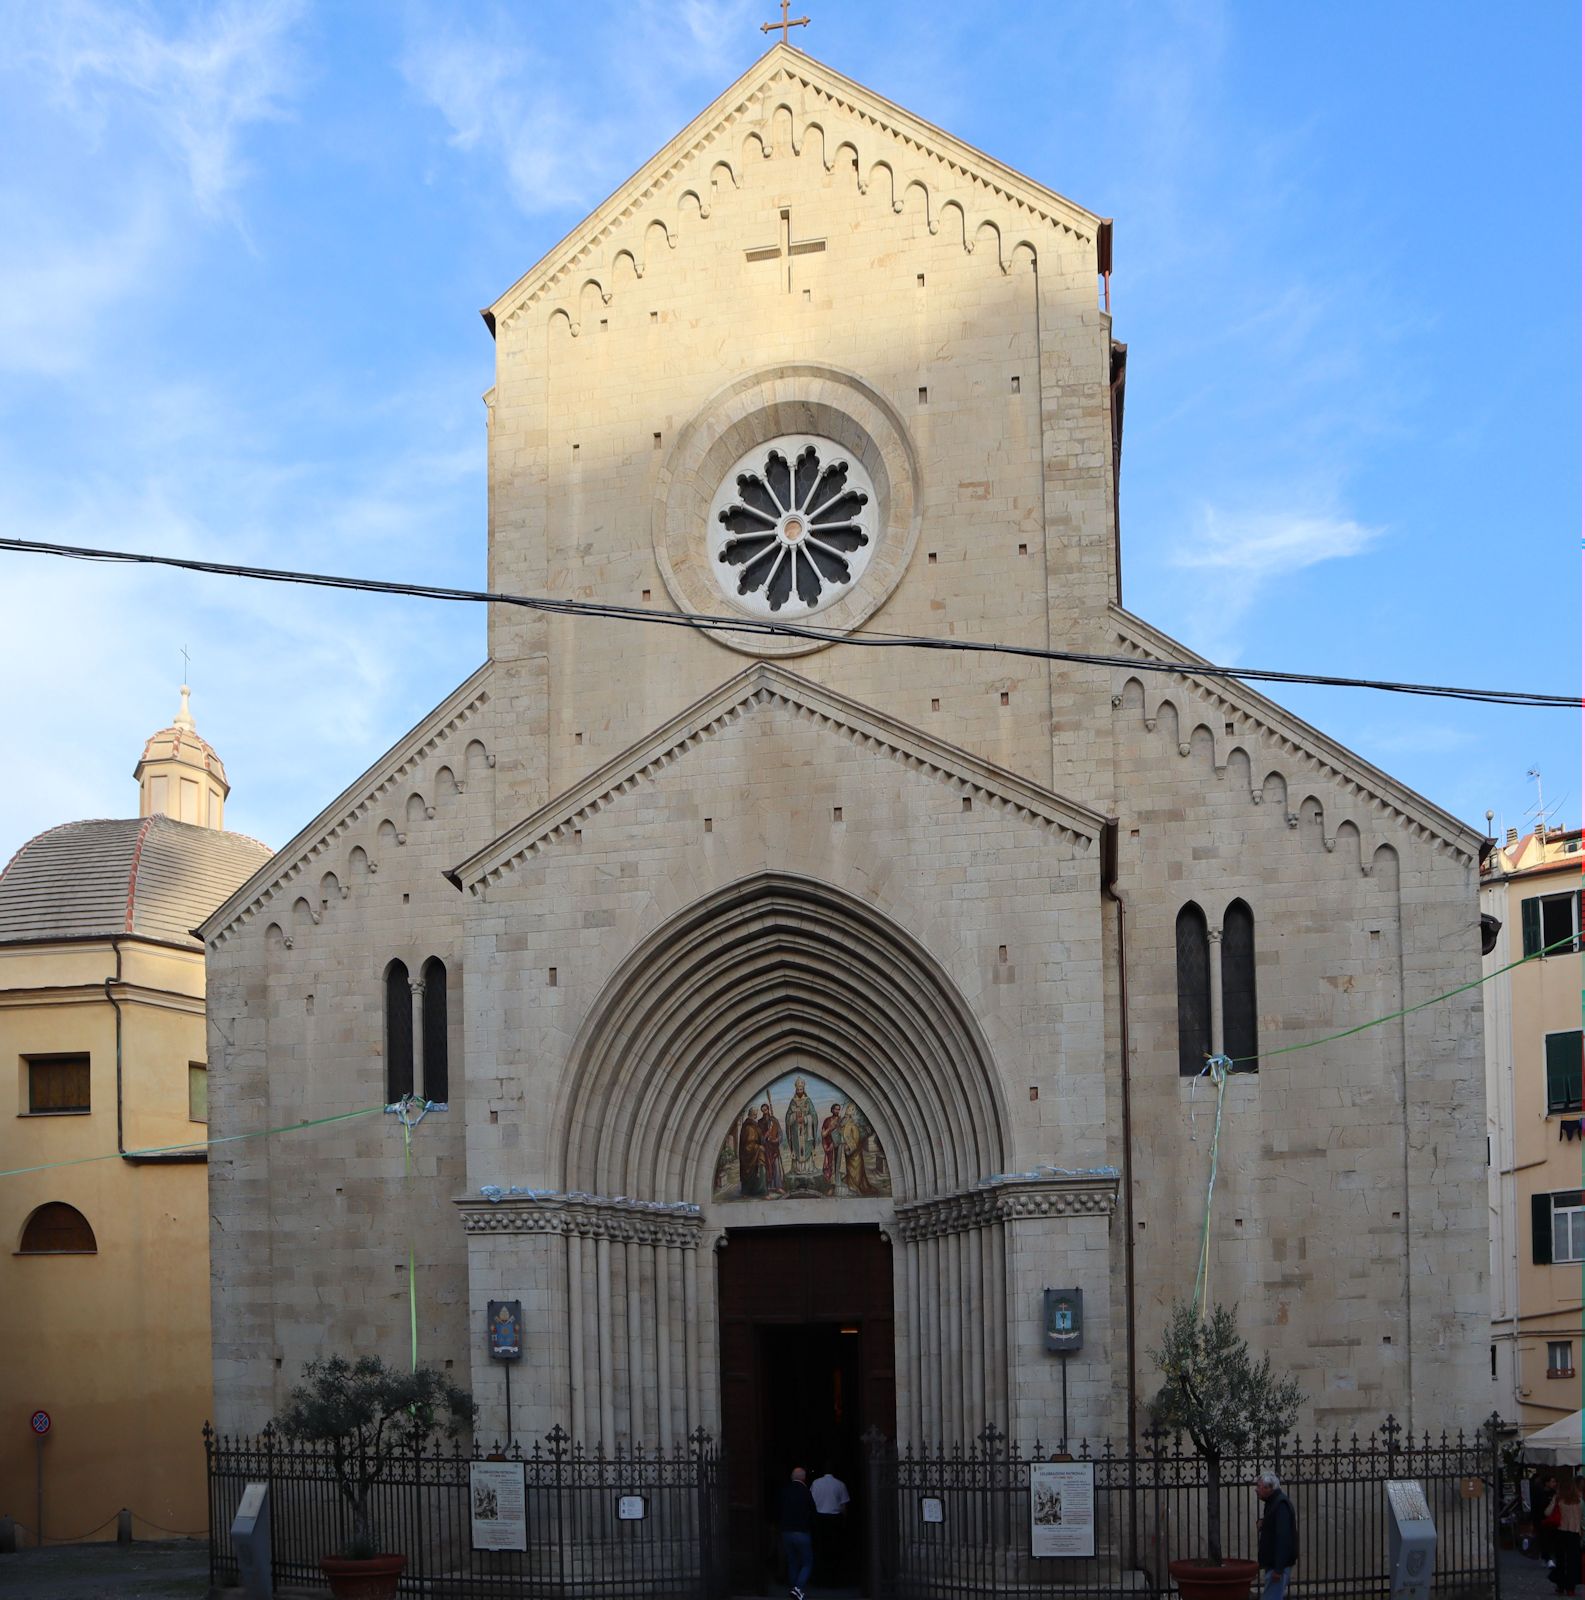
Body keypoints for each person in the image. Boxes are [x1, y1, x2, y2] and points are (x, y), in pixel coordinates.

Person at [1254, 1469, 1297, 1600]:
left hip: (1278, 1566)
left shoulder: (1280, 1505)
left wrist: (1278, 1569)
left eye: (1259, 1486)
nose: (1256, 1490)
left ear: (1269, 1488)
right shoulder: (1273, 1503)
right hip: (1275, 1564)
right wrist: (1264, 1522)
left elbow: (1283, 1538)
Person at [778, 1465, 816, 1600]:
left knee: (792, 1561)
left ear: (792, 1477)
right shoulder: (806, 1492)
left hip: (786, 1531)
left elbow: (779, 1509)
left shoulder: (784, 1490)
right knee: (807, 1562)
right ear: (804, 1478)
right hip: (802, 1531)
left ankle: (794, 1590)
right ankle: (798, 1588)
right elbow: (812, 1510)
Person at [810, 1462, 851, 1581]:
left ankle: (820, 1577)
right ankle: (833, 1577)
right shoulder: (840, 1484)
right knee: (834, 1549)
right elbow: (843, 1507)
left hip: (819, 1519)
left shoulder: (816, 1483)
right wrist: (844, 1522)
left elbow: (811, 1502)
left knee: (819, 1548)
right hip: (834, 1520)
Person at [1553, 1469, 1582, 1596]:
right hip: (1575, 1533)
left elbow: (1547, 1513)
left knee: (1560, 1560)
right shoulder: (1580, 1502)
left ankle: (1560, 1585)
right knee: (1573, 1561)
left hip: (1561, 1532)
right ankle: (1571, 1588)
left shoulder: (1559, 1501)